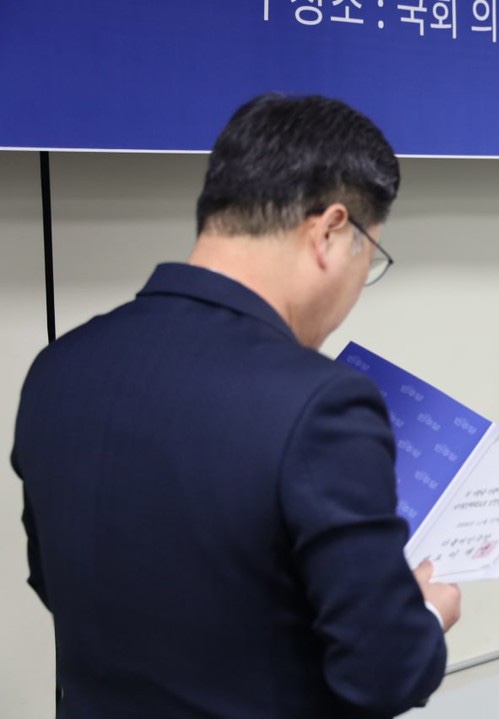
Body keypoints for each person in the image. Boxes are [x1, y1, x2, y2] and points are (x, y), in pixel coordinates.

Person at [11, 94, 461, 719]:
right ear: (331, 231)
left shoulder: (59, 368)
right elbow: (385, 674)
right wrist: (426, 614)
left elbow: (53, 578)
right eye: (371, 259)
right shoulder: (321, 403)